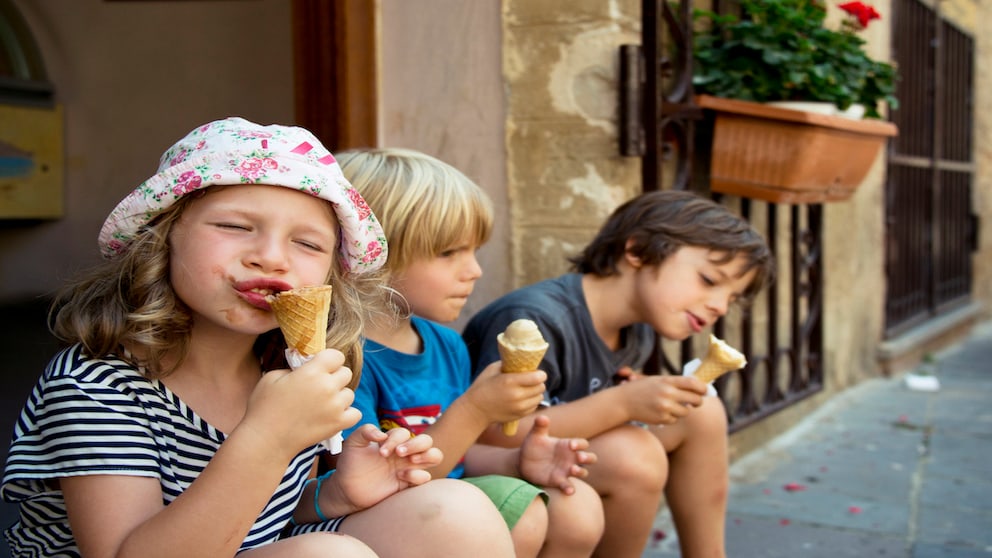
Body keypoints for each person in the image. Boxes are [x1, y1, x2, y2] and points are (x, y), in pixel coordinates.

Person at [1, 118, 516, 558]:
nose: (271, 256)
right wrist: (268, 437)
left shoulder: (288, 369)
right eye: (234, 225)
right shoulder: (98, 387)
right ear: (162, 239)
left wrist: (334, 493)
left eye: (307, 243)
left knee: (456, 510)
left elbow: (262, 517)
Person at [462, 189, 776, 558]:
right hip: (479, 465)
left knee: (702, 411)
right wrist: (622, 404)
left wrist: (637, 396)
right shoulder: (537, 320)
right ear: (638, 251)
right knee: (634, 457)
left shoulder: (636, 330)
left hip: (562, 452)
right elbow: (495, 436)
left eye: (732, 298)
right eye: (709, 280)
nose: (719, 306)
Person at [337, 148, 605, 558]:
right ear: (371, 253)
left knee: (577, 506)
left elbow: (458, 455)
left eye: (474, 251)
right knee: (527, 513)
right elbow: (384, 481)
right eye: (449, 253)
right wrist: (476, 409)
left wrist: (517, 463)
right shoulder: (343, 358)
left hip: (443, 498)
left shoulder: (445, 344)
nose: (475, 271)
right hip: (373, 520)